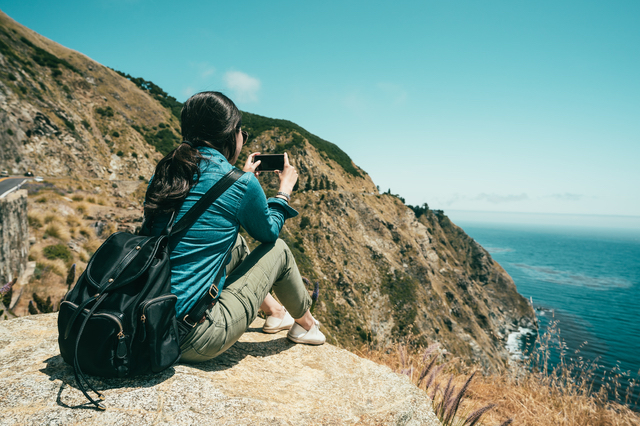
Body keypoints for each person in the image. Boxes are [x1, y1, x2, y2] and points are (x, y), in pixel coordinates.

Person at [143, 91, 325, 363]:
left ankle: (275, 313)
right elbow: (269, 233)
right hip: (193, 336)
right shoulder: (240, 184)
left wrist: (240, 178)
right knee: (280, 250)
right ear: (231, 134)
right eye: (243, 133)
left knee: (236, 244)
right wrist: (283, 192)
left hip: (150, 321)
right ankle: (307, 326)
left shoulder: (165, 173)